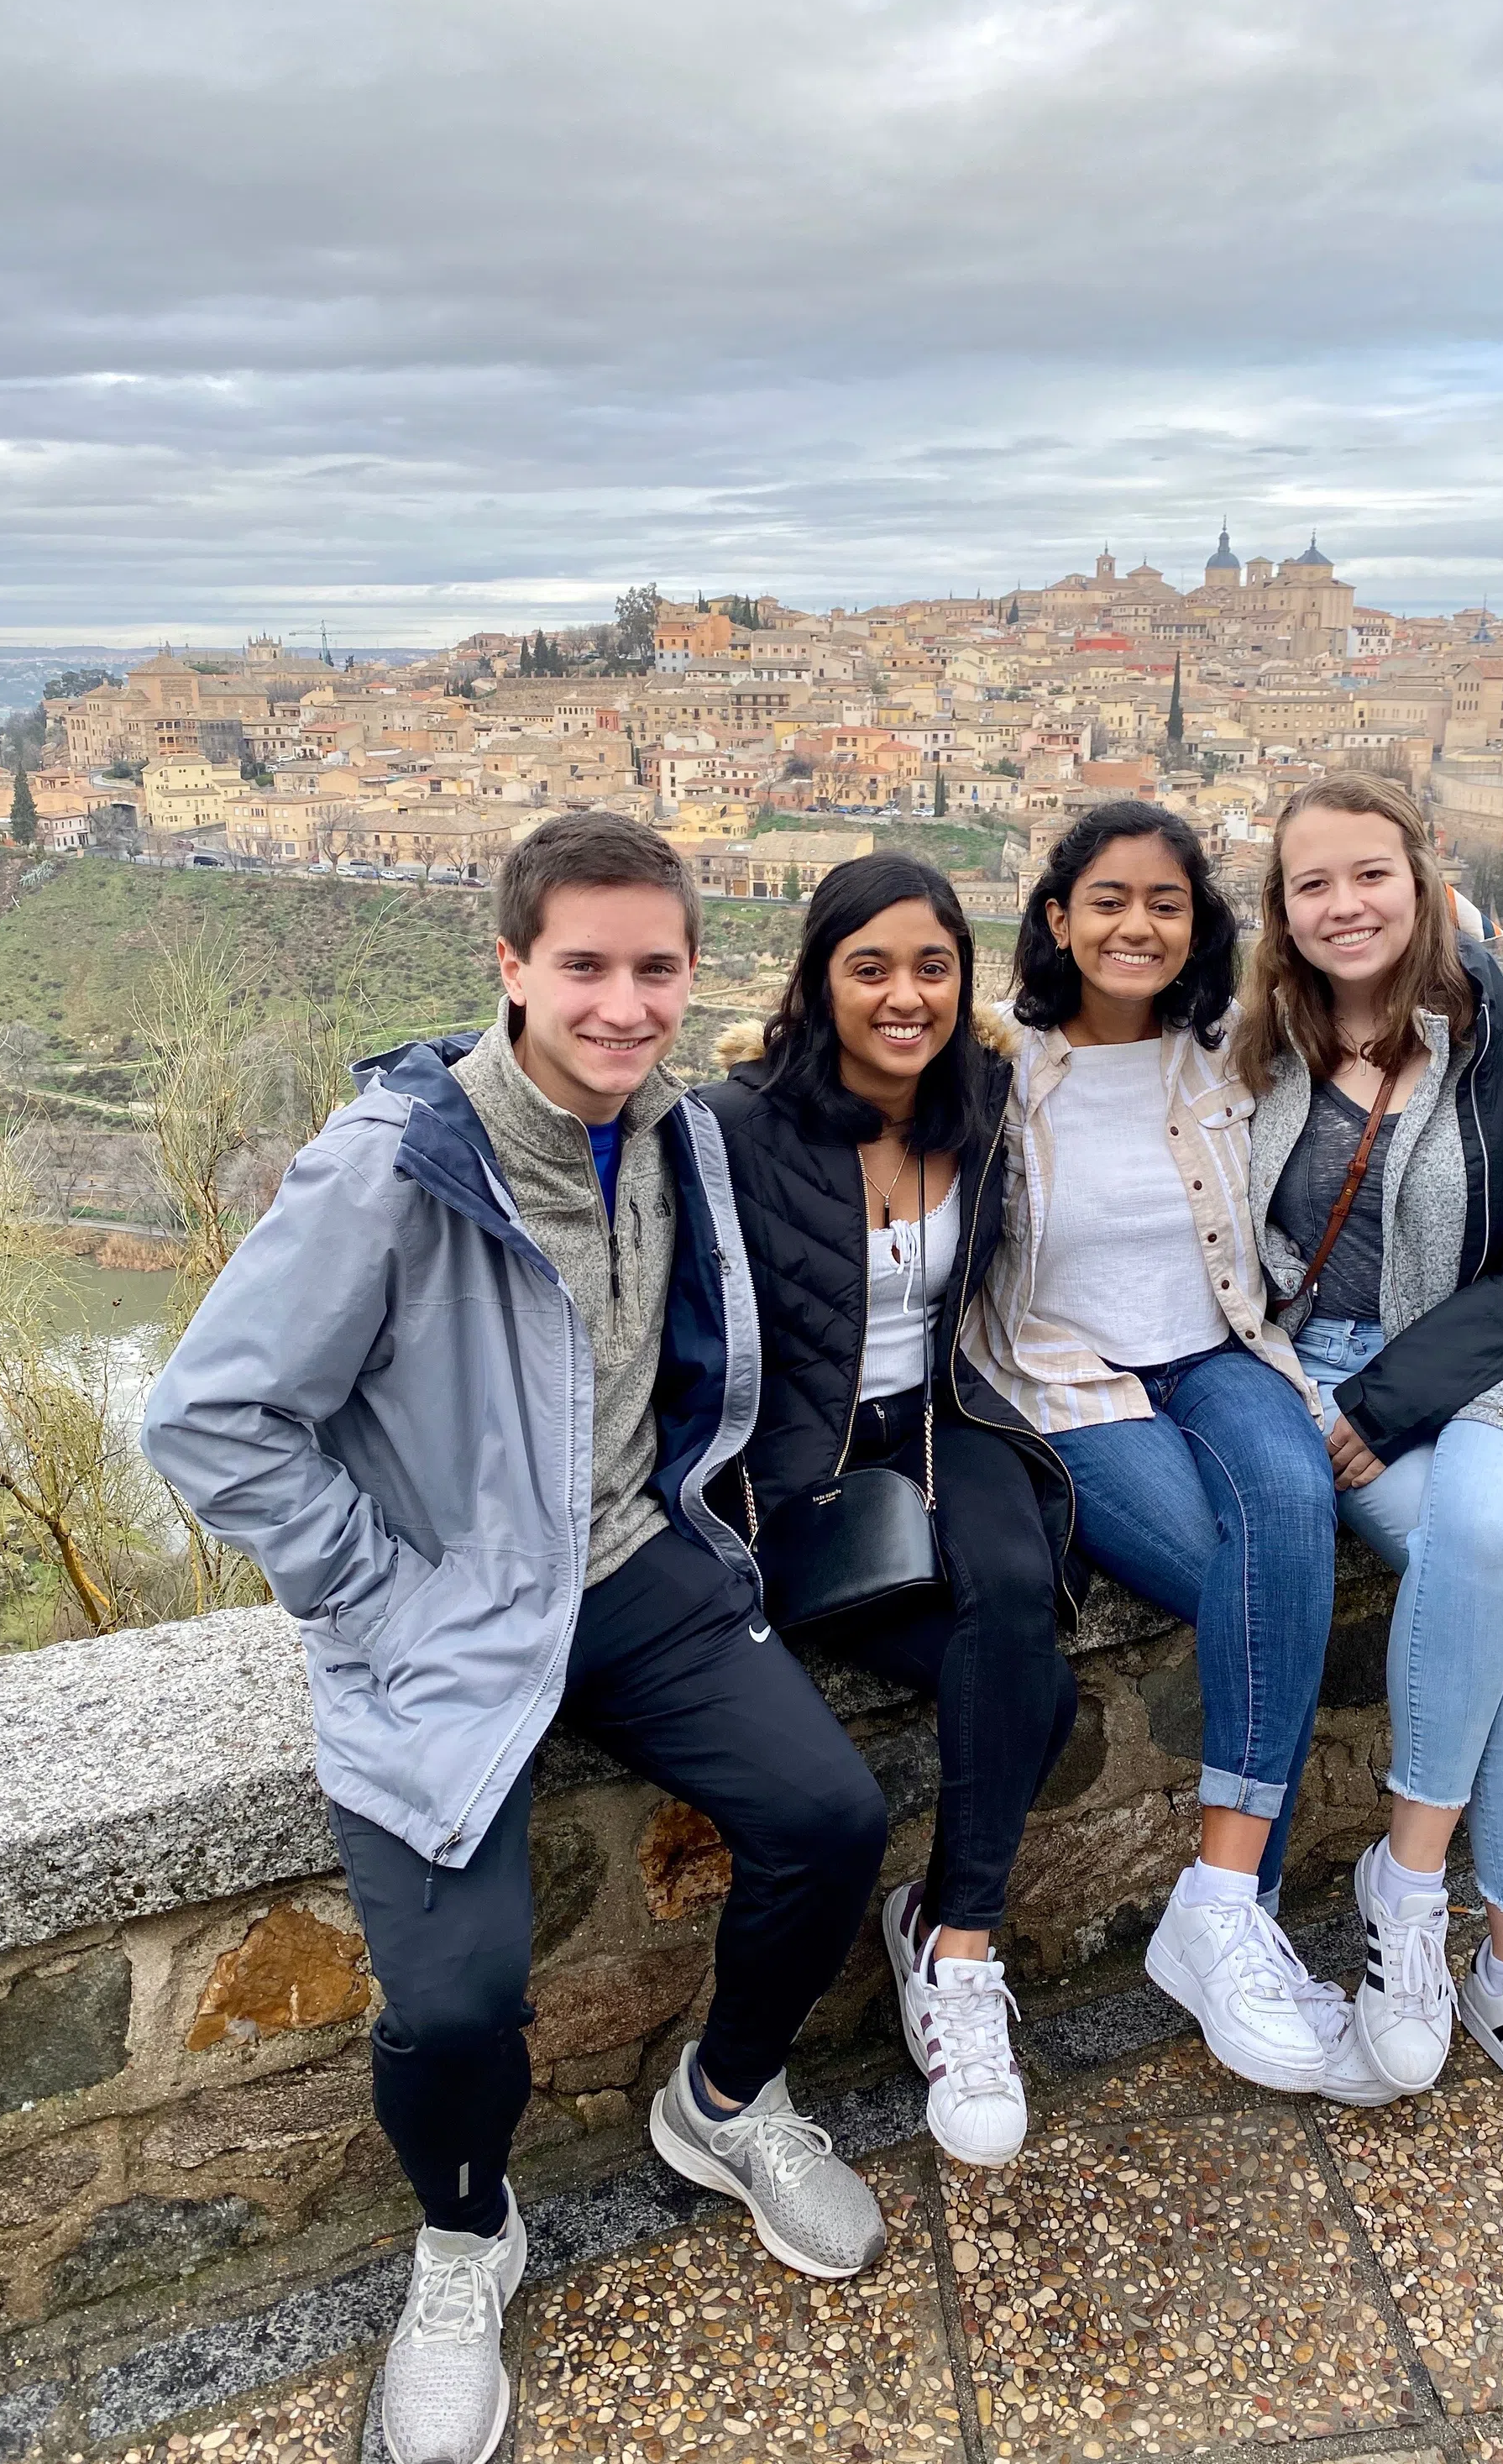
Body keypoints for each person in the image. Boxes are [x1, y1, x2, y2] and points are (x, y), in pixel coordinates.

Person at [141, 814, 895, 2464]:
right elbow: (207, 1418)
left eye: (654, 970)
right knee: (457, 1998)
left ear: (691, 976)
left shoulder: (676, 1137)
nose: (621, 1006)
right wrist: (372, 1585)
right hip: (447, 1600)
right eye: (585, 967)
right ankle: (468, 2235)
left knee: (833, 1822)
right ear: (510, 968)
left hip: (630, 1566)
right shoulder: (398, 1163)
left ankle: (722, 2102)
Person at [1235, 772, 1503, 2152]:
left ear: (1421, 881)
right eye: (1313, 884)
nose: (1343, 905)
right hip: (1324, 1376)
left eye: (1370, 874)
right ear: (1281, 912)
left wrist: (1399, 1396)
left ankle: (1406, 1892)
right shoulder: (1257, 1042)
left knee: (1484, 1539)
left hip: (1502, 1363)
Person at [966, 800, 1377, 2106]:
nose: (1135, 925)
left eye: (1164, 903)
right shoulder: (994, 1070)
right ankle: (1234, 1923)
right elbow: (833, 1074)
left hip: (1221, 1352)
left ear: (1196, 927)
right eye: (1106, 900)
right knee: (1245, 1588)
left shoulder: (1230, 1054)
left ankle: (1216, 1910)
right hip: (1071, 1384)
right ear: (1056, 920)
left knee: (1293, 1506)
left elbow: (1398, 994)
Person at [702, 852, 1077, 2168]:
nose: (904, 996)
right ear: (817, 982)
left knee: (1021, 1598)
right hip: (798, 1465)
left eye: (932, 966)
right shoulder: (734, 1126)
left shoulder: (979, 1096)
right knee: (1036, 1692)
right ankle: (931, 1927)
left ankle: (954, 1947)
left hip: (936, 1415)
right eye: (869, 968)